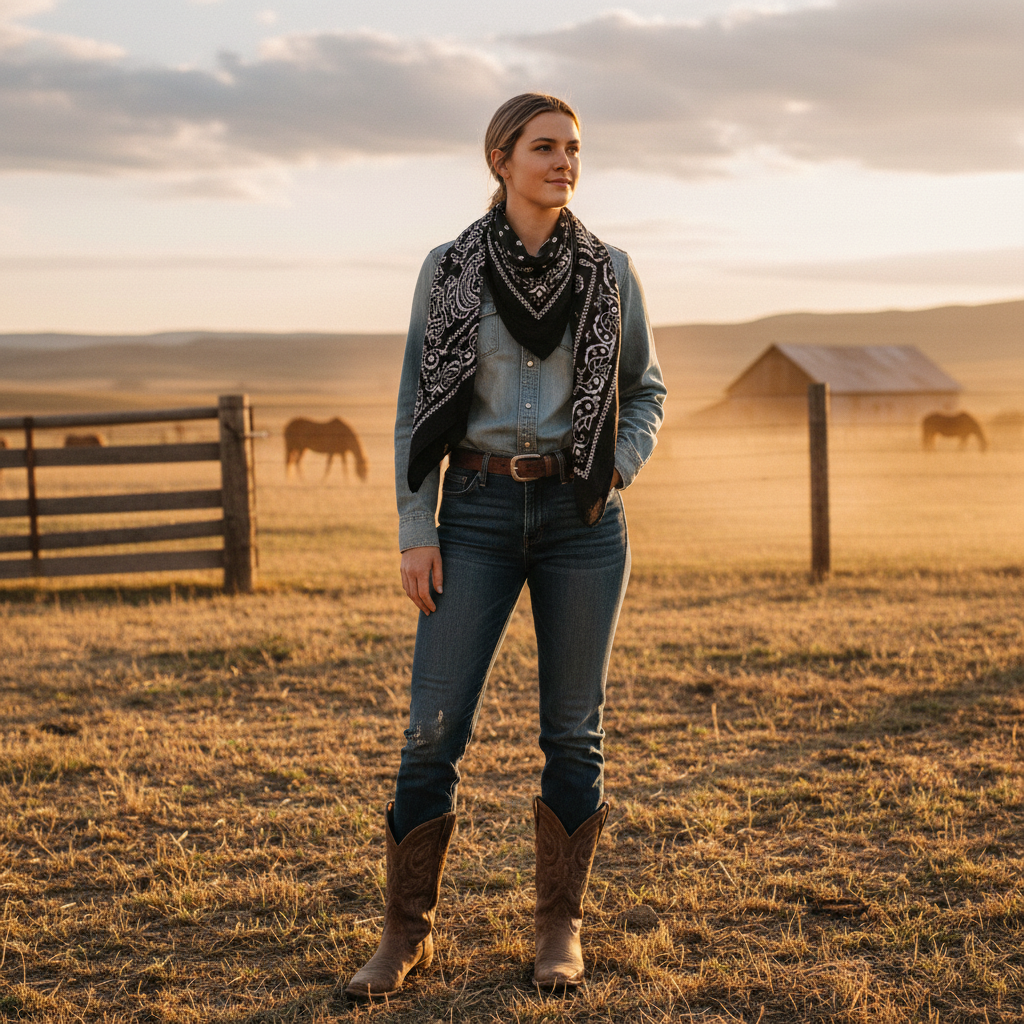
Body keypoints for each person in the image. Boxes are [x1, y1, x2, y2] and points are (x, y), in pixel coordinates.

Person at [345, 92, 666, 999]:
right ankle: (406, 935)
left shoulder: (611, 271)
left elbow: (645, 391)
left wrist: (615, 468)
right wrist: (418, 533)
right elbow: (417, 406)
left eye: (574, 148)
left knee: (574, 733)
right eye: (544, 147)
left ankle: (559, 929)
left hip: (582, 524)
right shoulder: (448, 269)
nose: (564, 162)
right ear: (501, 159)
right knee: (432, 733)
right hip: (477, 513)